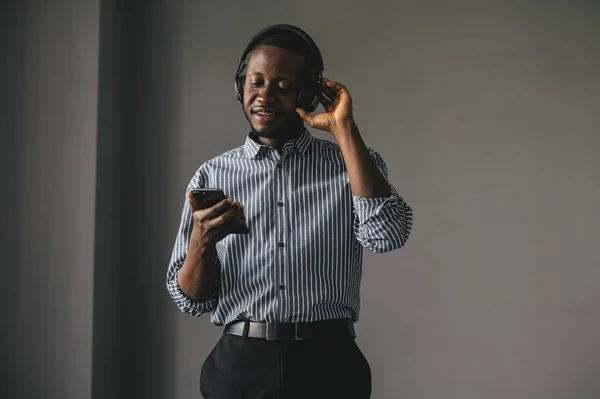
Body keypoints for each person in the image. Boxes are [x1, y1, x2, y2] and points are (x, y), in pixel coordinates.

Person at [166, 24, 413, 399]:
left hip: (330, 365)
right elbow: (190, 299)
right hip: (240, 366)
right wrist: (201, 242)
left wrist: (343, 128)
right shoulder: (213, 174)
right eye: (256, 82)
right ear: (240, 87)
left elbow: (388, 235)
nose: (265, 96)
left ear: (309, 94)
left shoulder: (351, 164)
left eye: (282, 86)